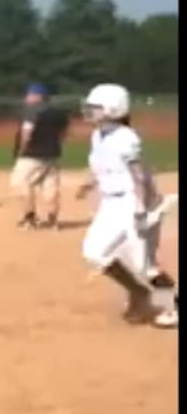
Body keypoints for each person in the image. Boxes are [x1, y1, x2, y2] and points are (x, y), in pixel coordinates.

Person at [74, 83, 176, 329]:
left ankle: (172, 307)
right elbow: (99, 163)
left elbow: (140, 175)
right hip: (110, 203)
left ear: (113, 109)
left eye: (96, 107)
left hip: (133, 201)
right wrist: (88, 183)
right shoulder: (98, 135)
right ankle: (139, 293)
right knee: (94, 252)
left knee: (145, 265)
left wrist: (142, 209)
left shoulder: (126, 138)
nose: (89, 111)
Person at [11, 82, 70, 230]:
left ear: (38, 96)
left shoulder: (32, 111)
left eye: (30, 94)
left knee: (20, 184)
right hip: (52, 155)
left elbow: (26, 132)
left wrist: (21, 150)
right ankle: (53, 220)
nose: (27, 98)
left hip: (31, 155)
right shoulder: (59, 113)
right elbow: (64, 134)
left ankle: (29, 218)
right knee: (50, 186)